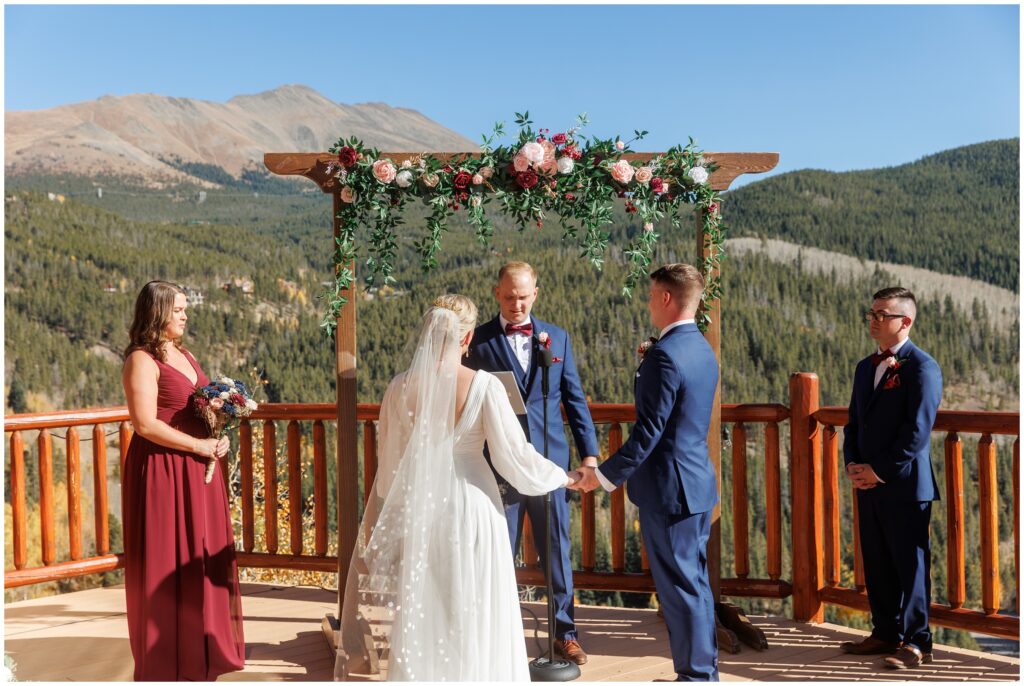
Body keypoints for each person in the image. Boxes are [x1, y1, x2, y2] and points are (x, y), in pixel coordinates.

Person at [334, 294, 577, 682]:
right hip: (473, 503)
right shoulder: (484, 386)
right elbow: (514, 458)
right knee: (477, 601)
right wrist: (562, 476)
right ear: (466, 340)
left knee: (428, 603)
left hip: (423, 505)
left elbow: (392, 462)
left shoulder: (399, 388)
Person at [571, 263, 720, 681]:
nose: (649, 301)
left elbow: (648, 434)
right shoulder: (700, 347)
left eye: (653, 294)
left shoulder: (666, 356)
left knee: (679, 590)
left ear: (667, 298)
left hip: (671, 491)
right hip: (695, 484)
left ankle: (695, 677)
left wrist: (600, 476)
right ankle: (703, 672)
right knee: (694, 585)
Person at [465, 262, 600, 665]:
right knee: (497, 553)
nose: (517, 304)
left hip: (548, 466)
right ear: (496, 294)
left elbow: (574, 401)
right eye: (509, 297)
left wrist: (589, 456)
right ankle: (495, 634)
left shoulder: (556, 338)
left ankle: (565, 634)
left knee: (556, 551)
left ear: (535, 294)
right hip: (497, 467)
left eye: (523, 297)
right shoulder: (479, 342)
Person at [121, 281, 245, 680]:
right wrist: (198, 446)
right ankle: (168, 658)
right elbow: (144, 424)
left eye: (185, 309)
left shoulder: (184, 353)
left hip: (197, 465)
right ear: (157, 312)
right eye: (177, 309)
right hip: (162, 467)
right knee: (165, 557)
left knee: (202, 551)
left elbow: (196, 405)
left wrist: (218, 430)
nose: (185, 315)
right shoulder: (141, 360)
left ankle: (204, 648)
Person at [840, 287, 942, 669]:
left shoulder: (922, 367)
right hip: (867, 482)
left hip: (904, 485)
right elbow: (854, 423)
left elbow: (916, 432)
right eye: (872, 312)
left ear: (906, 321)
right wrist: (853, 464)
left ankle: (919, 642)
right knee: (877, 561)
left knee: (910, 566)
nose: (874, 319)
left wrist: (879, 471)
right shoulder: (866, 367)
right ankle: (885, 632)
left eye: (883, 314)